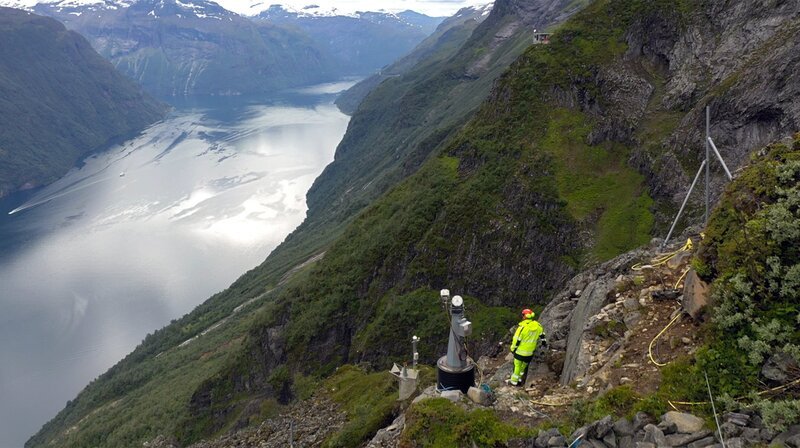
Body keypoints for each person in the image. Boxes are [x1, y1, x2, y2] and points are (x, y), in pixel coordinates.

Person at [509, 308, 546, 386]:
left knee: (517, 366)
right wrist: (544, 344)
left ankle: (514, 381)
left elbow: (516, 339)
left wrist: (513, 348)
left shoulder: (522, 328)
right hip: (530, 352)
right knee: (523, 366)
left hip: (520, 352)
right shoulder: (538, 326)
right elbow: (542, 336)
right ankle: (520, 379)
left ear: (524, 316)